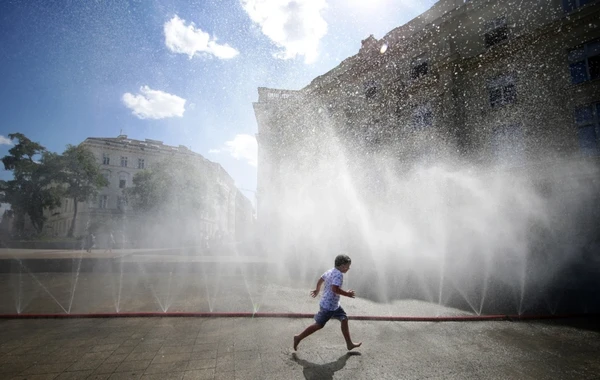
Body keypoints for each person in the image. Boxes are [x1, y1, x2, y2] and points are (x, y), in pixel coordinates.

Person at [293, 254, 362, 351]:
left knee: (344, 318)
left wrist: (317, 290)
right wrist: (347, 294)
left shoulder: (331, 271)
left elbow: (321, 279)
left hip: (332, 305)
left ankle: (349, 344)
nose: (349, 268)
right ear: (342, 265)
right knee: (319, 325)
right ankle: (298, 337)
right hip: (328, 307)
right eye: (348, 266)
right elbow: (335, 289)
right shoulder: (339, 275)